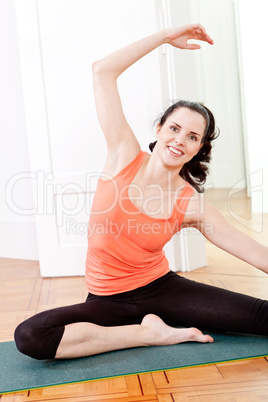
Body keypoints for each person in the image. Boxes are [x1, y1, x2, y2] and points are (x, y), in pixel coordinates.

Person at [15, 24, 268, 360]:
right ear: (159, 129)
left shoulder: (190, 202)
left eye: (192, 136)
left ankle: (151, 326)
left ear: (199, 148)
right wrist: (165, 37)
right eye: (175, 128)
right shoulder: (123, 155)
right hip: (106, 300)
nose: (180, 139)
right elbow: (102, 71)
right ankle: (148, 334)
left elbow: (250, 250)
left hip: (163, 290)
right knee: (31, 336)